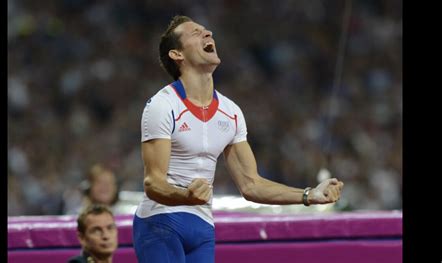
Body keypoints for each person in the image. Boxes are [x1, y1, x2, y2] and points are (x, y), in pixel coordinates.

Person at [133, 15, 344, 263]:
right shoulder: (162, 105)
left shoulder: (231, 112)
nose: (208, 33)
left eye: (206, 30)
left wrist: (310, 195)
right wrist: (184, 196)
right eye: (195, 33)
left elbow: (251, 185)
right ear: (177, 54)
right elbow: (153, 183)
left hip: (202, 228)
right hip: (160, 222)